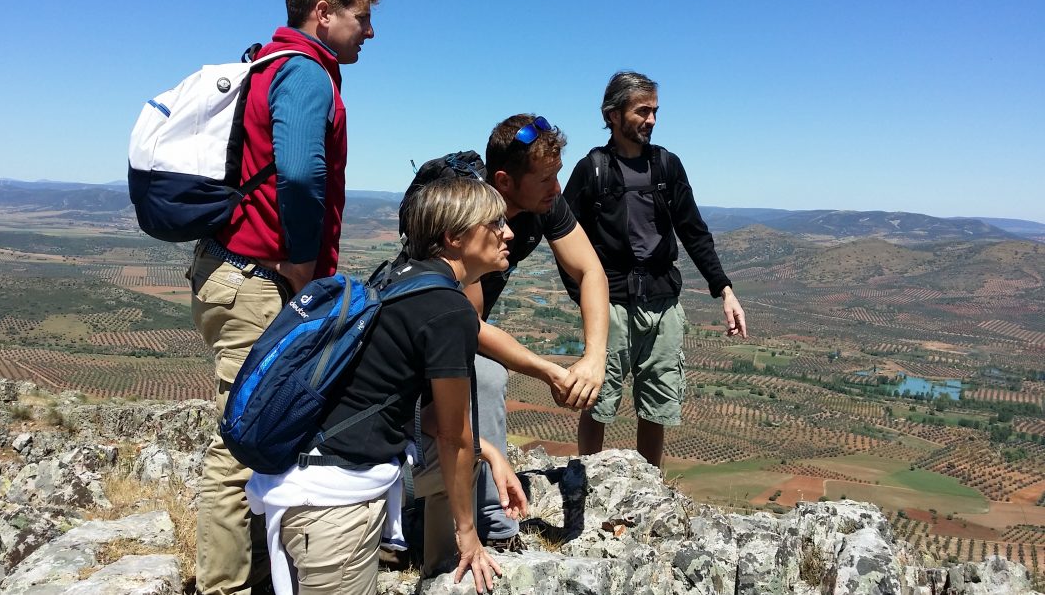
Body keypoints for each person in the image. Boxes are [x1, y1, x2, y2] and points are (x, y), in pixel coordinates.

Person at [188, 0, 379, 595]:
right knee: (241, 436)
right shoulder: (303, 72)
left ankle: (258, 571)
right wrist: (301, 262)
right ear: (323, 11)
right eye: (362, 17)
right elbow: (300, 175)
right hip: (258, 278)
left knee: (259, 424)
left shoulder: (269, 64)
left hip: (234, 271)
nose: (369, 34)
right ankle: (224, 585)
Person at [247, 176, 528, 595]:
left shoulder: (399, 277)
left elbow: (409, 408)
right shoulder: (448, 310)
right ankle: (456, 555)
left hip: (302, 473)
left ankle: (441, 570)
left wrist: (487, 452)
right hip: (333, 507)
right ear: (453, 237)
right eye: (494, 224)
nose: (508, 233)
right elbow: (452, 435)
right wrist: (470, 534)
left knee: (470, 456)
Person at [416, 114, 610, 571]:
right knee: (485, 377)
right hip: (429, 333)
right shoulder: (467, 216)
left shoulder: (542, 204)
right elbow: (469, 324)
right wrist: (546, 369)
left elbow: (590, 271)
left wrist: (594, 357)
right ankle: (492, 527)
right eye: (545, 178)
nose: (557, 189)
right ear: (504, 181)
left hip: (460, 326)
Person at [564, 71, 747, 469]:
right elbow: (563, 239)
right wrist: (584, 297)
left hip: (663, 302)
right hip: (609, 304)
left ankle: (648, 490)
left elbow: (694, 231)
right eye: (642, 111)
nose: (651, 120)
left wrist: (725, 290)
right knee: (597, 400)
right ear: (612, 115)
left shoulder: (667, 166)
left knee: (657, 405)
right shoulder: (591, 170)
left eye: (654, 111)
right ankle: (585, 485)